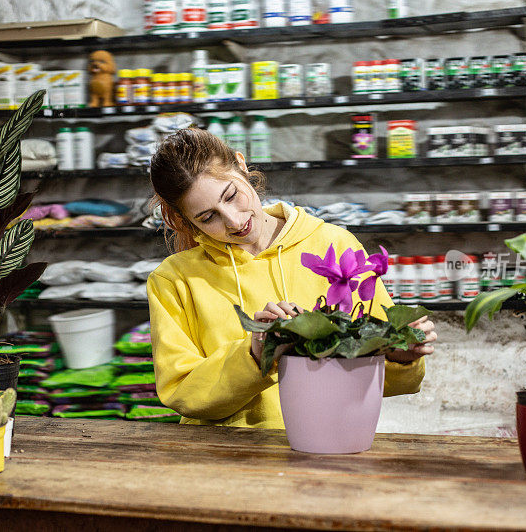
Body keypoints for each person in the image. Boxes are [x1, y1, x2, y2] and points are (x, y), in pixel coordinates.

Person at [147, 127, 436, 429]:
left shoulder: (335, 245)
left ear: (241, 164)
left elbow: (387, 380)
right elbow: (181, 391)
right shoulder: (173, 280)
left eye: (231, 196)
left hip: (326, 442)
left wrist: (401, 357)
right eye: (208, 218)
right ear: (182, 220)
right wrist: (255, 352)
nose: (233, 221)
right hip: (220, 457)